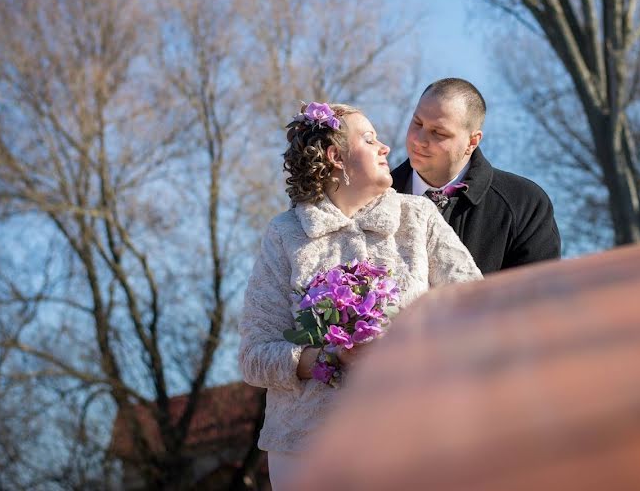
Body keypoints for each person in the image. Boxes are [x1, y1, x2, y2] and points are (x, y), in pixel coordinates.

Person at [238, 102, 482, 490]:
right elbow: (254, 357)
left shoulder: (418, 217)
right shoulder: (285, 235)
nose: (386, 148)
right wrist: (328, 358)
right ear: (337, 157)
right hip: (306, 451)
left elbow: (476, 308)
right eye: (370, 139)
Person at [391, 78, 561, 274]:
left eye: (438, 133)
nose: (419, 140)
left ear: (472, 142)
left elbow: (536, 295)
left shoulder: (524, 204)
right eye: (417, 123)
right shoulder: (370, 199)